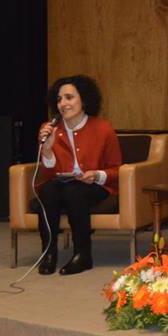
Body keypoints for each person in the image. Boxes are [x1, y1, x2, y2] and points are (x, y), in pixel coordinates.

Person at [36, 75, 121, 276]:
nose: (63, 104)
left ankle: (83, 255)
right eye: (59, 99)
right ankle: (48, 254)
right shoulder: (49, 130)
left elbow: (117, 170)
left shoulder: (103, 129)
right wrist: (47, 150)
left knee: (74, 192)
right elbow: (48, 173)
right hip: (61, 185)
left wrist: (96, 175)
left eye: (69, 97)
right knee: (48, 190)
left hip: (94, 186)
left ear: (84, 100)